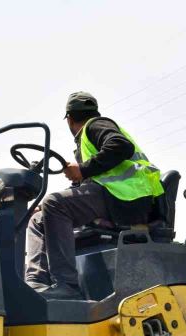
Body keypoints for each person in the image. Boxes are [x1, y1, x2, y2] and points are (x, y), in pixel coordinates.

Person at [25, 91, 163, 300]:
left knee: (54, 203)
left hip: (128, 199)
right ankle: (36, 283)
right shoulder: (90, 139)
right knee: (38, 218)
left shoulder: (95, 125)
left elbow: (121, 146)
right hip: (116, 198)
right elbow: (92, 184)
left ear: (69, 119)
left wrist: (83, 169)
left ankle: (67, 286)